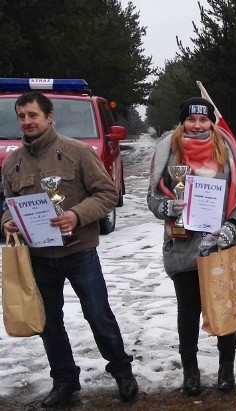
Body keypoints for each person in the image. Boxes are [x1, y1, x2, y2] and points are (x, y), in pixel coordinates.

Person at [1, 92, 138, 407]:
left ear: (49, 117)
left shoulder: (78, 152)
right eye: (21, 116)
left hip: (79, 252)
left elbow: (107, 193)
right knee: (49, 323)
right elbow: (9, 204)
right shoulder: (12, 162)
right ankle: (64, 381)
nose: (27, 122)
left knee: (98, 315)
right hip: (38, 257)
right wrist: (7, 221)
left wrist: (76, 215)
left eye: (32, 115)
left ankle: (122, 370)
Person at [147, 97, 236, 394]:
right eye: (191, 120)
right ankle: (190, 371)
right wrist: (166, 209)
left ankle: (226, 369)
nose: (197, 125)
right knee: (188, 311)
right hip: (182, 244)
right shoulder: (168, 152)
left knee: (224, 308)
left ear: (211, 122)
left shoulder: (231, 153)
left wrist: (232, 226)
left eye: (203, 120)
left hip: (220, 244)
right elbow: (152, 197)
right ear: (183, 122)